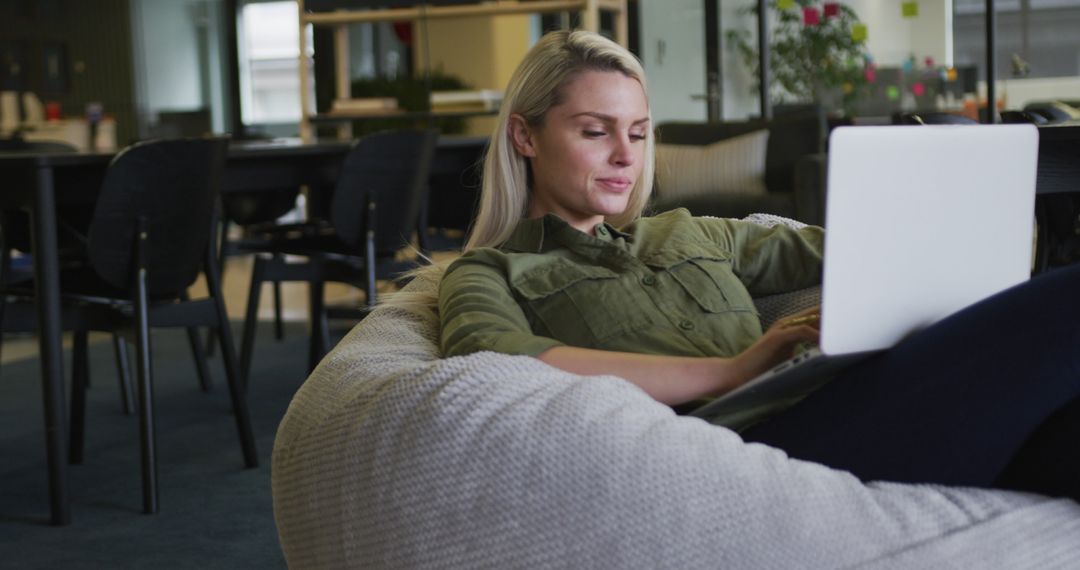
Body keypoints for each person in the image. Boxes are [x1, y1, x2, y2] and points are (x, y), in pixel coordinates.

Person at [401, 29, 1080, 502]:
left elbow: (854, 246)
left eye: (637, 133)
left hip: (842, 396)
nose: (624, 155)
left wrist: (956, 213)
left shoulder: (689, 233)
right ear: (525, 135)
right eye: (593, 130)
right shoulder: (488, 273)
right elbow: (505, 361)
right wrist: (735, 367)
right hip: (760, 441)